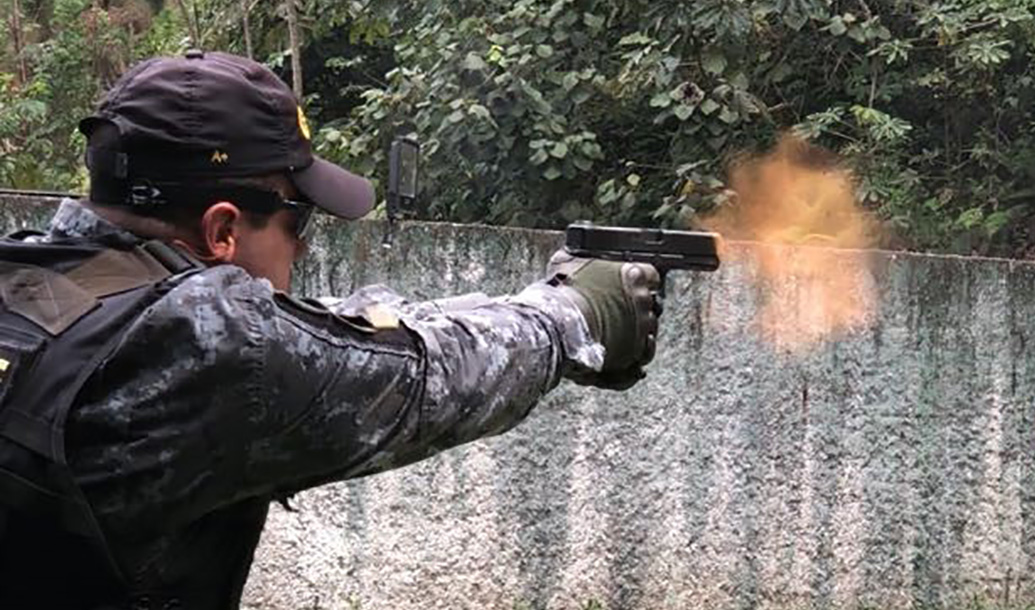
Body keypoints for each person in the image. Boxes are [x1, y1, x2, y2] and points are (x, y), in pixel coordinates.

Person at [0, 51, 661, 609]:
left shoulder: (30, 283)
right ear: (223, 230)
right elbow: (425, 378)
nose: (303, 249)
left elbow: (330, 330)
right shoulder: (217, 347)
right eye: (298, 221)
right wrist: (575, 315)